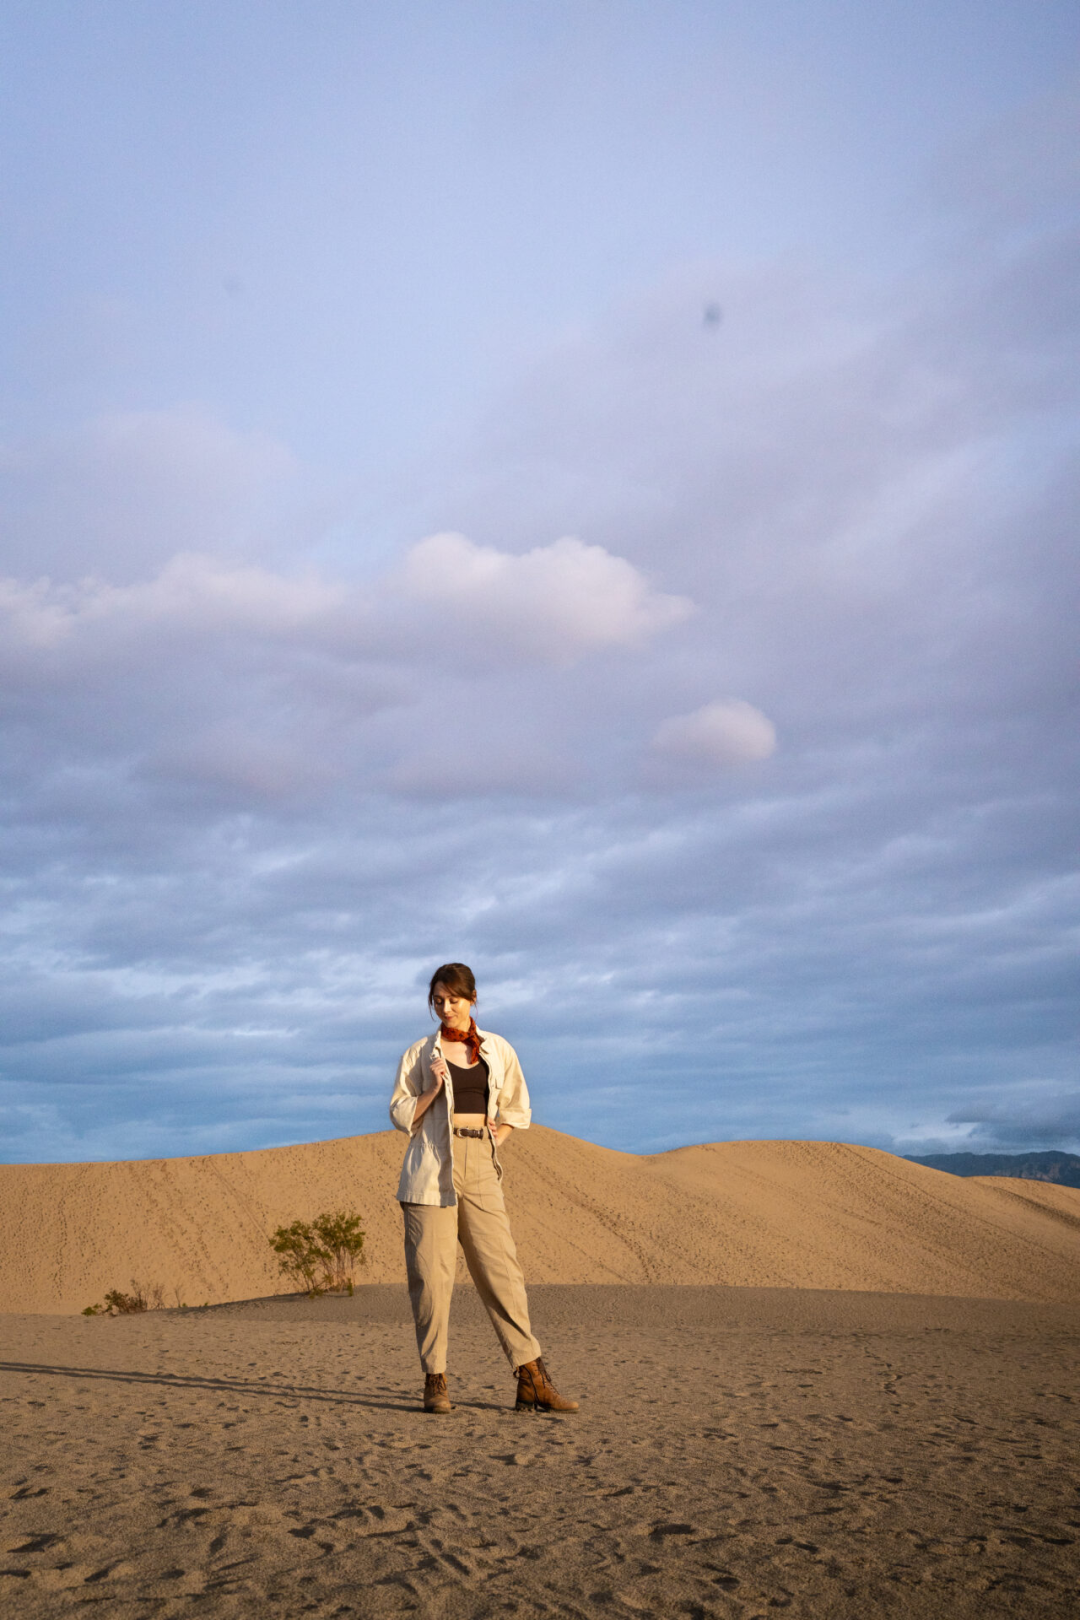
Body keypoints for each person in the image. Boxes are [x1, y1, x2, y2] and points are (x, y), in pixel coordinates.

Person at [389, 961, 579, 1416]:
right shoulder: (420, 1053)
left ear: (473, 999)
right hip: (429, 1167)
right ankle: (435, 1381)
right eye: (438, 1000)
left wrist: (499, 1135)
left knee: (503, 1275)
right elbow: (400, 1114)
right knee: (432, 1281)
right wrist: (433, 1088)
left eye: (453, 999)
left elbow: (517, 1107)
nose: (446, 1008)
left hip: (480, 1165)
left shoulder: (497, 1049)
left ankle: (532, 1378)